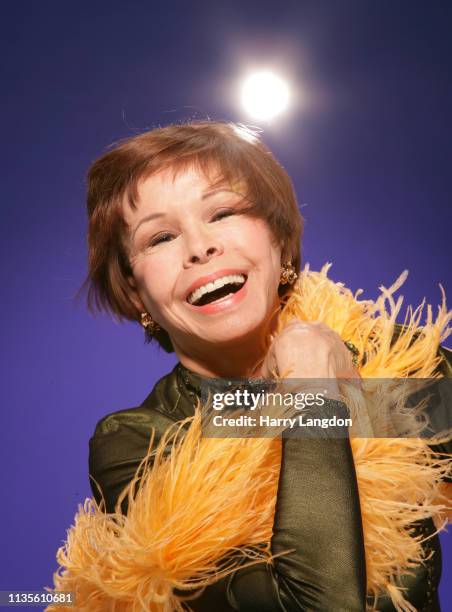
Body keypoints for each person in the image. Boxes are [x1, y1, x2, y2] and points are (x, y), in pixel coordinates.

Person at [58, 122, 451, 611]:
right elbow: (321, 603)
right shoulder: (137, 442)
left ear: (280, 241)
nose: (200, 247)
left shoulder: (393, 363)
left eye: (222, 212)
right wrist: (312, 391)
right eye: (160, 238)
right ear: (137, 292)